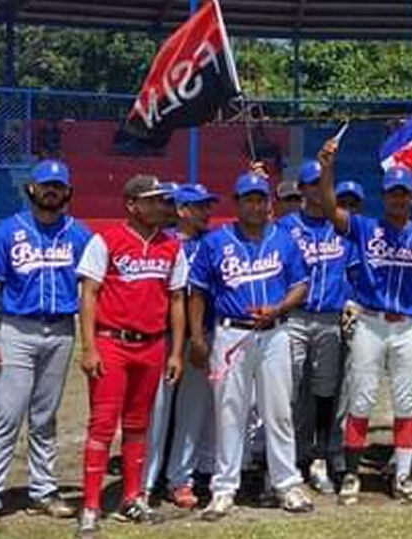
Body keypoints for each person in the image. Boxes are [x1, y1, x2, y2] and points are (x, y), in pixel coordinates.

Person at [0, 160, 93, 534]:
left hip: (60, 331)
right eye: (45, 185)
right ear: (32, 189)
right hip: (17, 330)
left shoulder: (80, 235)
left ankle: (43, 489)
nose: (51, 191)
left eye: (58, 185)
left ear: (68, 192)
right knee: (7, 414)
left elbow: (92, 289)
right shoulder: (9, 231)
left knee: (44, 416)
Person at [188, 172, 314, 519]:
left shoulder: (284, 239)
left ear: (267, 203)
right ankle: (224, 488)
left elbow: (300, 285)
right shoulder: (216, 241)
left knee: (278, 411)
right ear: (238, 203)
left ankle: (286, 484)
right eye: (249, 200)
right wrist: (198, 337)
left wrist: (279, 308)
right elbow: (197, 290)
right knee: (230, 411)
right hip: (231, 334)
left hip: (275, 332)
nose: (255, 206)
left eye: (260, 199)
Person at [317, 139, 412, 505]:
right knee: (362, 398)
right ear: (383, 197)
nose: (398, 199)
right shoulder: (366, 228)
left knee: (406, 400)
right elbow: (329, 209)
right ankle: (352, 474)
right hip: (370, 321)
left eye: (403, 193)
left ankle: (403, 476)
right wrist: (327, 170)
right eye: (392, 194)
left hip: (407, 324)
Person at [74, 176, 187, 535]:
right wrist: (89, 347)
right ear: (131, 204)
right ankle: (91, 505)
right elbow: (89, 293)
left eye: (162, 200)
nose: (159, 206)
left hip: (153, 343)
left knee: (140, 425)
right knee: (103, 425)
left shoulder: (171, 246)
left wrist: (177, 352)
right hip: (112, 342)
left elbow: (177, 299)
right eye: (151, 200)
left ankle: (132, 498)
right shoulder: (105, 240)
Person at [144, 183, 220, 509]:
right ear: (181, 210)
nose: (206, 212)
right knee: (157, 414)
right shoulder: (164, 242)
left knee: (192, 413)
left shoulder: (215, 242)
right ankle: (146, 481)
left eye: (208, 205)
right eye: (199, 206)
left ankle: (181, 479)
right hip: (165, 337)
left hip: (200, 337)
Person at [278, 160, 351, 494]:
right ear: (303, 190)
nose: (319, 193)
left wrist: (352, 302)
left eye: (324, 186)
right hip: (294, 317)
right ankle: (287, 459)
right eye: (312, 186)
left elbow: (353, 272)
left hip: (329, 319)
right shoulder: (286, 227)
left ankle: (319, 458)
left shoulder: (342, 227)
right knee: (288, 391)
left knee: (325, 391)